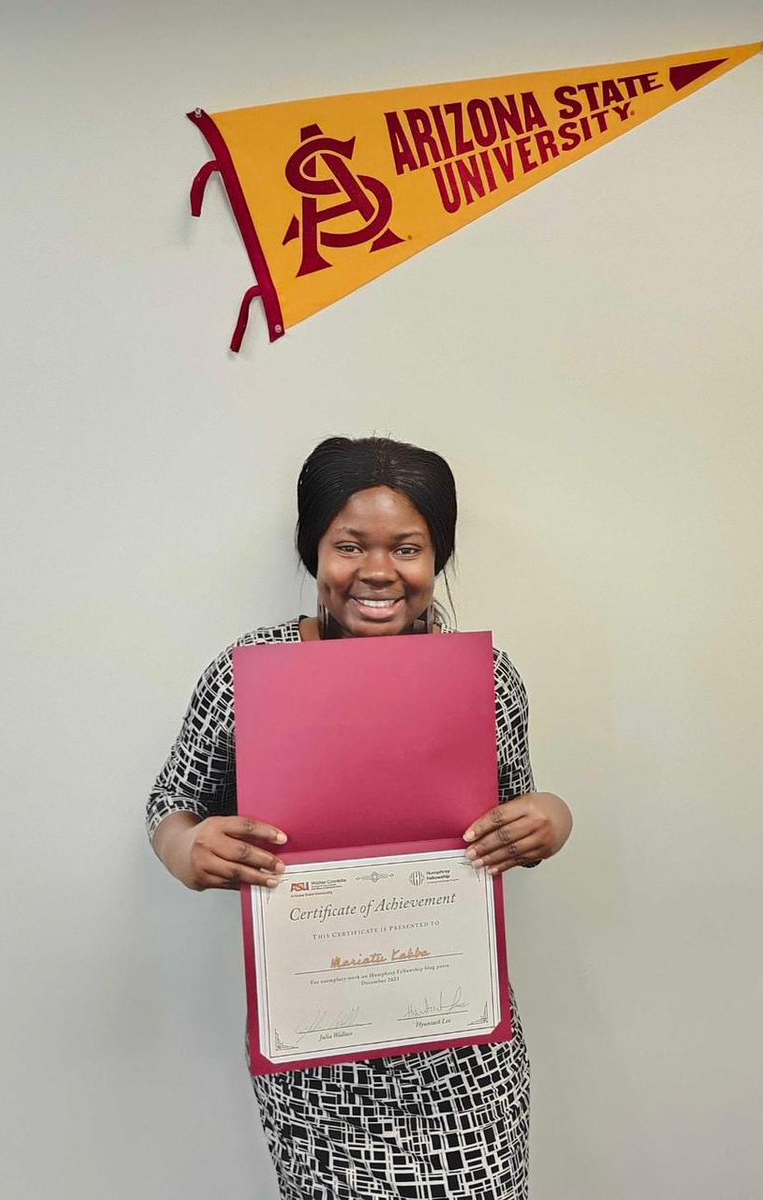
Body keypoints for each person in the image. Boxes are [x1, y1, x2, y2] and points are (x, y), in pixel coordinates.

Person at [147, 435, 573, 1199]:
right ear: (313, 552)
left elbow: (520, 806)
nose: (377, 571)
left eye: (406, 547)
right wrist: (188, 849)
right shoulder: (253, 672)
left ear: (436, 556)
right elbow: (171, 804)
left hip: (460, 1053)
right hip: (320, 1058)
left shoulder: (484, 675)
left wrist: (551, 819)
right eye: (349, 545)